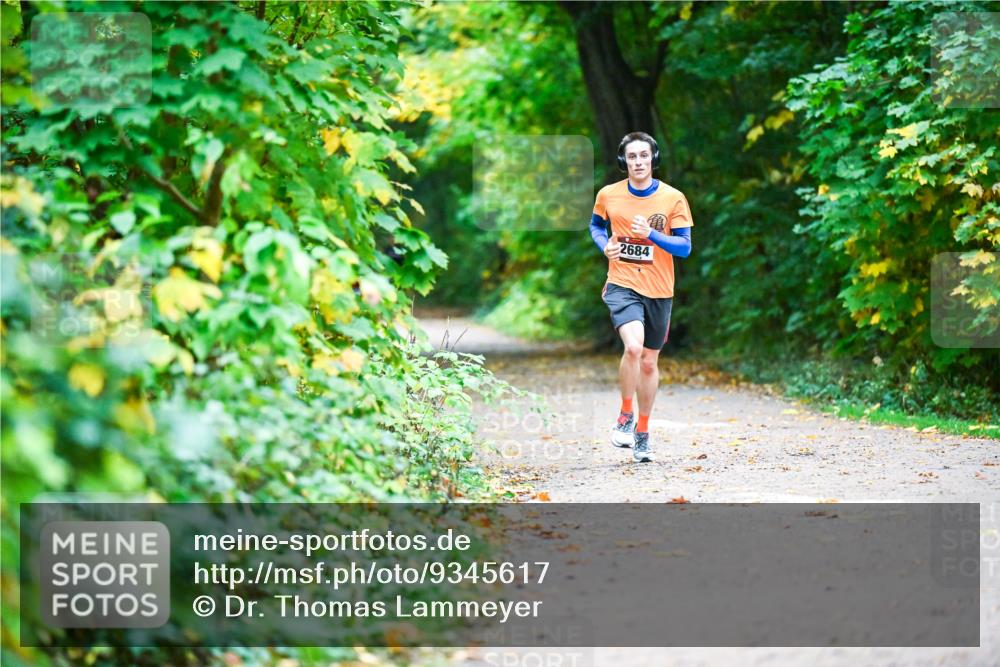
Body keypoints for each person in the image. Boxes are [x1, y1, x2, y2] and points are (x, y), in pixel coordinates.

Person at [589, 131, 693, 463]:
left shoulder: (673, 198)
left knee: (649, 362)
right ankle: (625, 415)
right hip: (622, 283)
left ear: (653, 159)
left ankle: (643, 432)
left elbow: (685, 247)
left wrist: (651, 235)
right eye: (632, 156)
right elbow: (596, 226)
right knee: (633, 348)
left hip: (660, 289)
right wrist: (604, 245)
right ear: (624, 161)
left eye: (643, 156)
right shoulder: (609, 194)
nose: (638, 162)